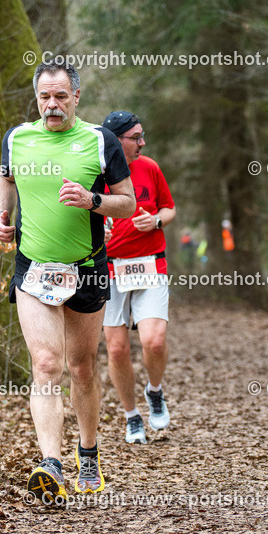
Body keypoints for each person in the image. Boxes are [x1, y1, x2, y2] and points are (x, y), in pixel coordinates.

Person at [0, 59, 135, 501]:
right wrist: (2, 216)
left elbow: (127, 203)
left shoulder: (99, 141)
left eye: (60, 96)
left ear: (76, 97)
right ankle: (50, 465)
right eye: (44, 97)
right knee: (46, 364)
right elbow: (5, 180)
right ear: (36, 99)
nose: (51, 105)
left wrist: (93, 200)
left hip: (87, 267)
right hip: (33, 268)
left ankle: (87, 453)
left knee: (81, 367)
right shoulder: (18, 138)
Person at [100, 111, 176, 445]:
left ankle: (155, 391)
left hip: (149, 262)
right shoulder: (95, 172)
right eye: (136, 137)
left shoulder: (150, 167)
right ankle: (132, 417)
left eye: (143, 135)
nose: (143, 143)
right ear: (117, 140)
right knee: (116, 350)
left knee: (154, 341)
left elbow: (169, 208)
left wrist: (157, 221)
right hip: (109, 266)